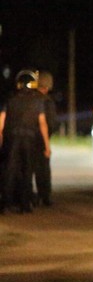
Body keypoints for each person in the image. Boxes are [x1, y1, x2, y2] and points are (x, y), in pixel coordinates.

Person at [0, 70, 50, 213]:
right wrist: (47, 146)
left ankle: (6, 204)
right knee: (27, 171)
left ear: (19, 84)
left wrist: (2, 142)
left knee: (10, 171)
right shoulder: (38, 101)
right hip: (30, 140)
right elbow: (42, 124)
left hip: (12, 139)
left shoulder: (10, 100)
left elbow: (1, 123)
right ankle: (25, 204)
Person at [33, 70, 57, 206]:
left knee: (28, 169)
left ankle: (28, 197)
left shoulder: (30, 99)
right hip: (42, 141)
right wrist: (47, 139)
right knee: (43, 170)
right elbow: (51, 123)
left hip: (29, 138)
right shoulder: (48, 102)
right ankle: (45, 197)